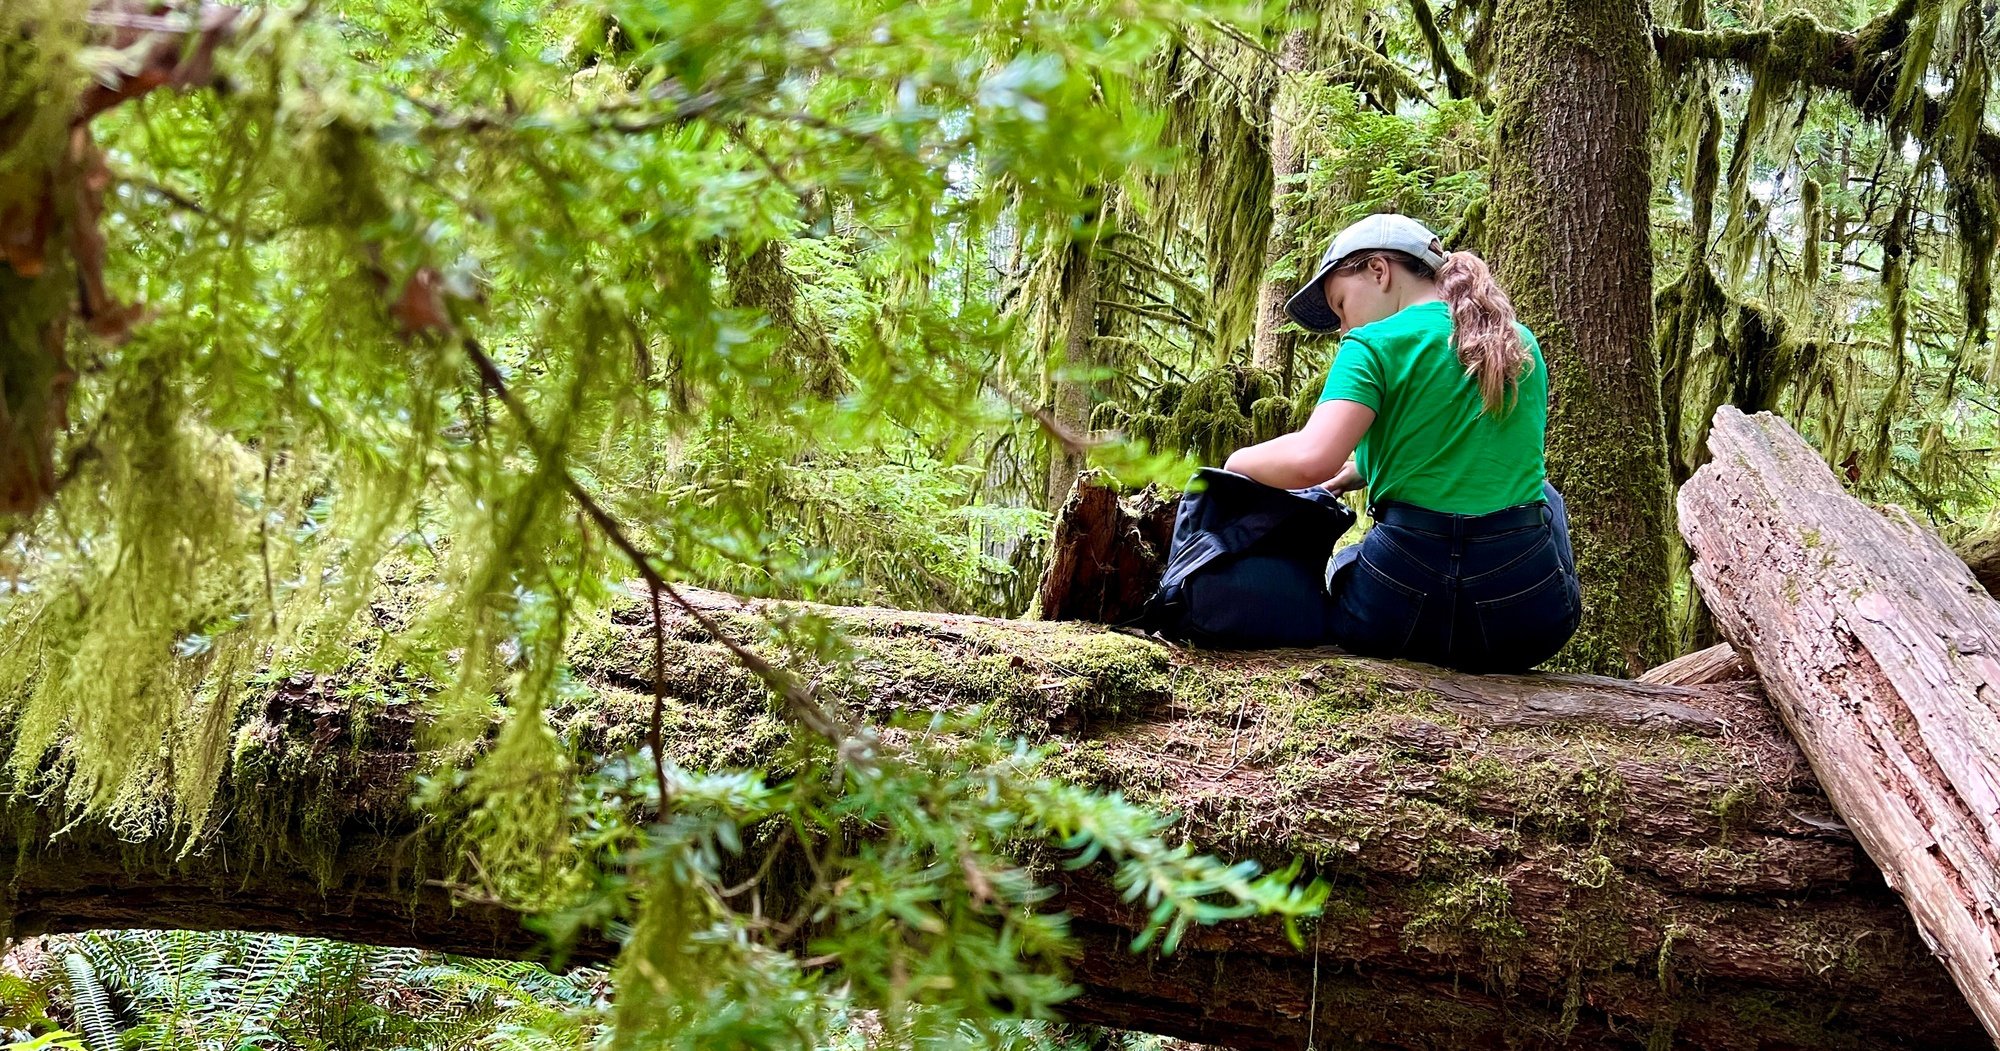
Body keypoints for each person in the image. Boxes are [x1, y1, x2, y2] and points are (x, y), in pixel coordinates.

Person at [1222, 213, 1579, 672]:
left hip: (1395, 615)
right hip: (1523, 621)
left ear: (1378, 270)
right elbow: (1474, 454)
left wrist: (1237, 460)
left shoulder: (1373, 344)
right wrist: (1359, 470)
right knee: (1544, 495)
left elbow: (1311, 459)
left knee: (1345, 566)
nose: (1342, 327)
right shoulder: (1516, 342)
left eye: (1340, 304)